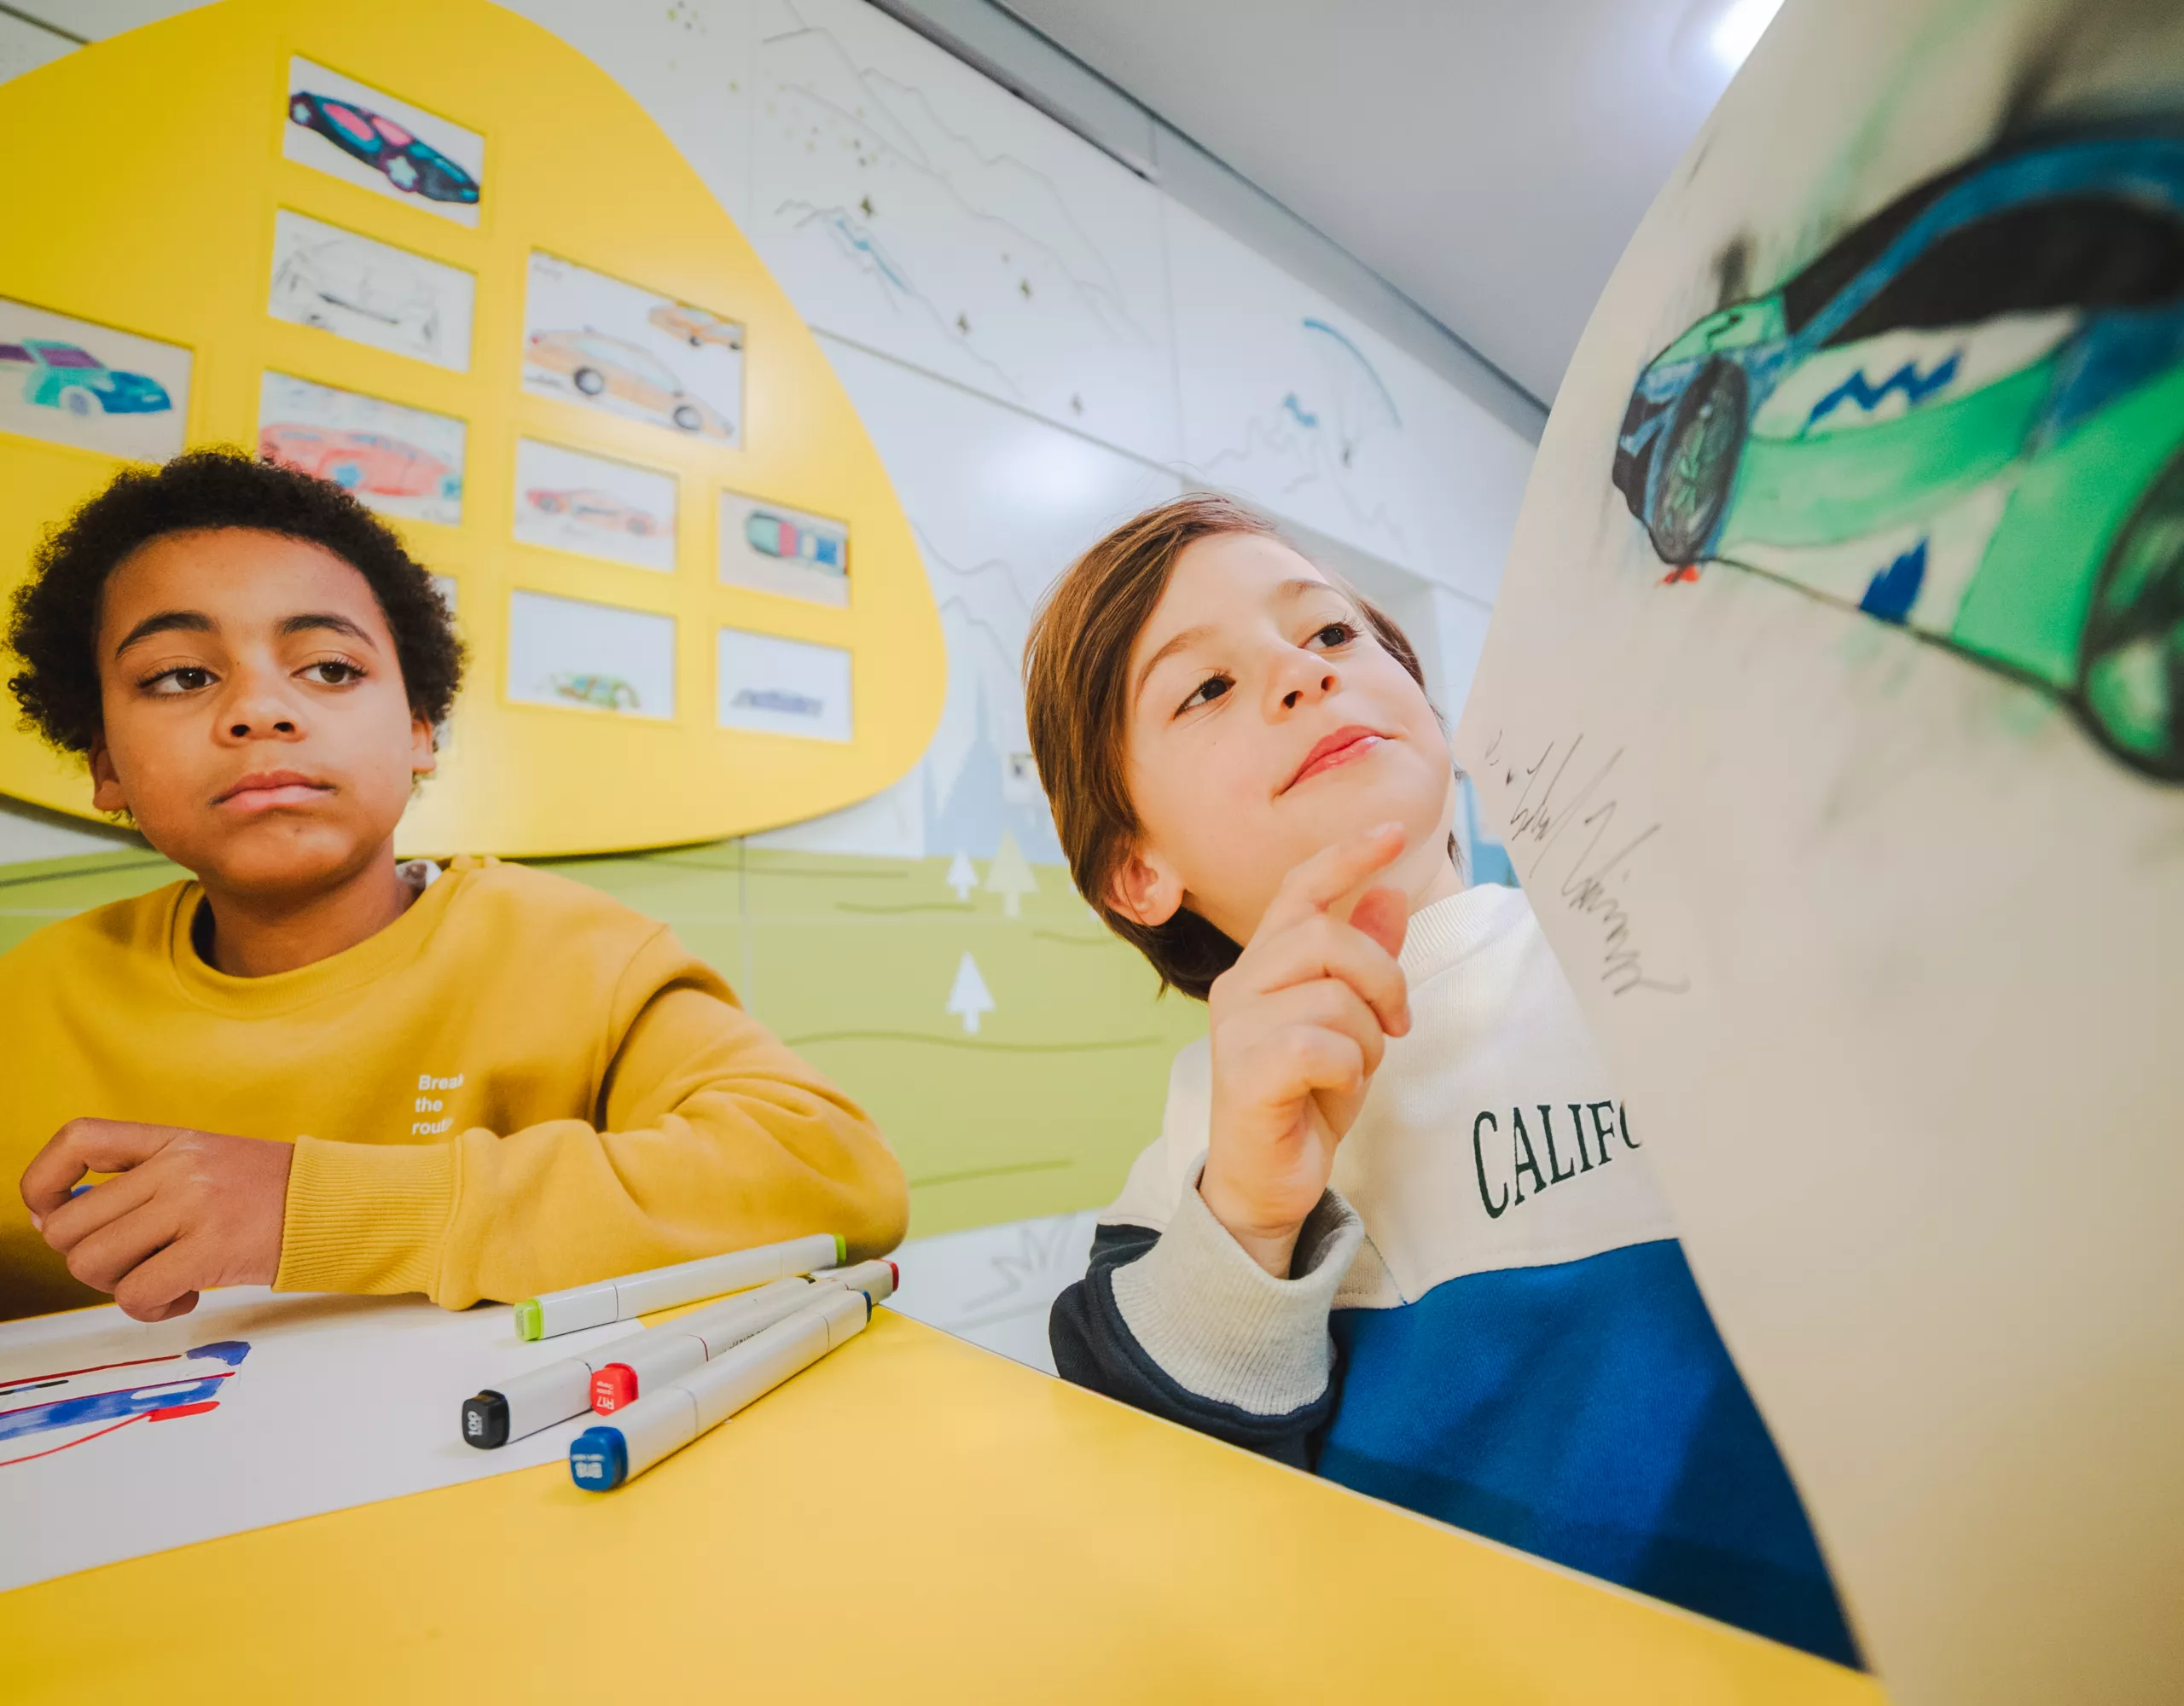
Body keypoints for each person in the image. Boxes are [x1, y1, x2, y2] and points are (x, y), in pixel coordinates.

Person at [1025, 493, 1858, 1665]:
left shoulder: (1665, 946)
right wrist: (1249, 1221)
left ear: (1426, 704)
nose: (1303, 673)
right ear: (1136, 871)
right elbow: (1169, 1529)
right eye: (1205, 686)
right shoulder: (1188, 1164)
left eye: (1330, 633)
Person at [0, 450, 905, 1326]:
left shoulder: (577, 955)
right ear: (107, 765)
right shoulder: (31, 998)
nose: (259, 710)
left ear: (418, 731)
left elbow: (836, 1176)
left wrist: (307, 1205)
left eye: (330, 668)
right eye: (181, 676)